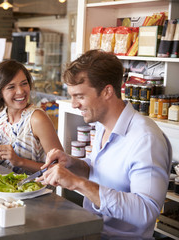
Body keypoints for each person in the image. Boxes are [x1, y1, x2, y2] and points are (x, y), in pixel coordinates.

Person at [37, 50, 172, 239]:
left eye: (80, 96)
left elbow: (146, 211)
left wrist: (77, 183)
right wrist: (71, 163)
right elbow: (100, 171)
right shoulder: (102, 125)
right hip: (92, 230)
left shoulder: (145, 139)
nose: (74, 104)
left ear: (107, 91)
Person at [0, 60, 63, 174]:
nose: (20, 91)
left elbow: (60, 167)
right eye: (11, 87)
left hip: (38, 190)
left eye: (24, 83)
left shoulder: (37, 119)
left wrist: (20, 161)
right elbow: (5, 164)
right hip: (7, 188)